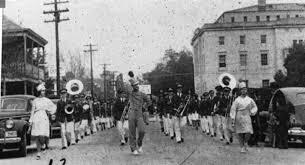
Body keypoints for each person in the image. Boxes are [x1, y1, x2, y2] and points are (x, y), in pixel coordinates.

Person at [125, 74, 151, 155]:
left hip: (139, 113)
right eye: (135, 85)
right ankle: (133, 148)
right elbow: (127, 87)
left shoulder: (142, 94)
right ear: (132, 86)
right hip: (131, 113)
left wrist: (144, 107)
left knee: (142, 131)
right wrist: (131, 79)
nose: (137, 86)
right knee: (132, 132)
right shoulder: (130, 93)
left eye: (137, 85)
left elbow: (149, 101)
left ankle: (139, 143)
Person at [29, 83, 56, 160]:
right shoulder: (35, 101)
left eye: (44, 91)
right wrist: (31, 121)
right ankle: (38, 152)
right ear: (39, 92)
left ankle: (43, 144)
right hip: (36, 118)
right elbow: (32, 111)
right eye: (42, 91)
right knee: (37, 135)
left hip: (43, 118)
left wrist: (51, 112)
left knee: (42, 135)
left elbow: (53, 107)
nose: (44, 92)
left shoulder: (47, 100)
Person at [230, 82, 258, 153]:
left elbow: (255, 107)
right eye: (242, 89)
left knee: (248, 131)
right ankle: (242, 147)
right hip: (239, 116)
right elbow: (233, 109)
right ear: (240, 91)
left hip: (247, 116)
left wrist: (252, 112)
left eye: (245, 89)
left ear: (246, 90)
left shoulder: (250, 99)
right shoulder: (237, 100)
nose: (243, 91)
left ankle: (245, 142)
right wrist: (233, 117)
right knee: (240, 133)